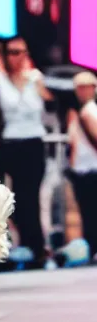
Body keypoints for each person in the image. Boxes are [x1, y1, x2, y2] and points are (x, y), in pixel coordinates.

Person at [0, 36, 53, 267]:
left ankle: (37, 247)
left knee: (31, 195)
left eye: (21, 51)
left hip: (34, 141)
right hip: (10, 144)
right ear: (4, 54)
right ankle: (25, 245)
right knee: (15, 198)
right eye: (12, 52)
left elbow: (50, 103)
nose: (17, 57)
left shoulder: (36, 78)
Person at [66, 71, 97, 259]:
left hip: (92, 169)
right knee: (87, 211)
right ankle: (92, 247)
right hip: (81, 169)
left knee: (91, 210)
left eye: (86, 87)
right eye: (79, 87)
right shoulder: (78, 113)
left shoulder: (89, 111)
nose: (82, 91)